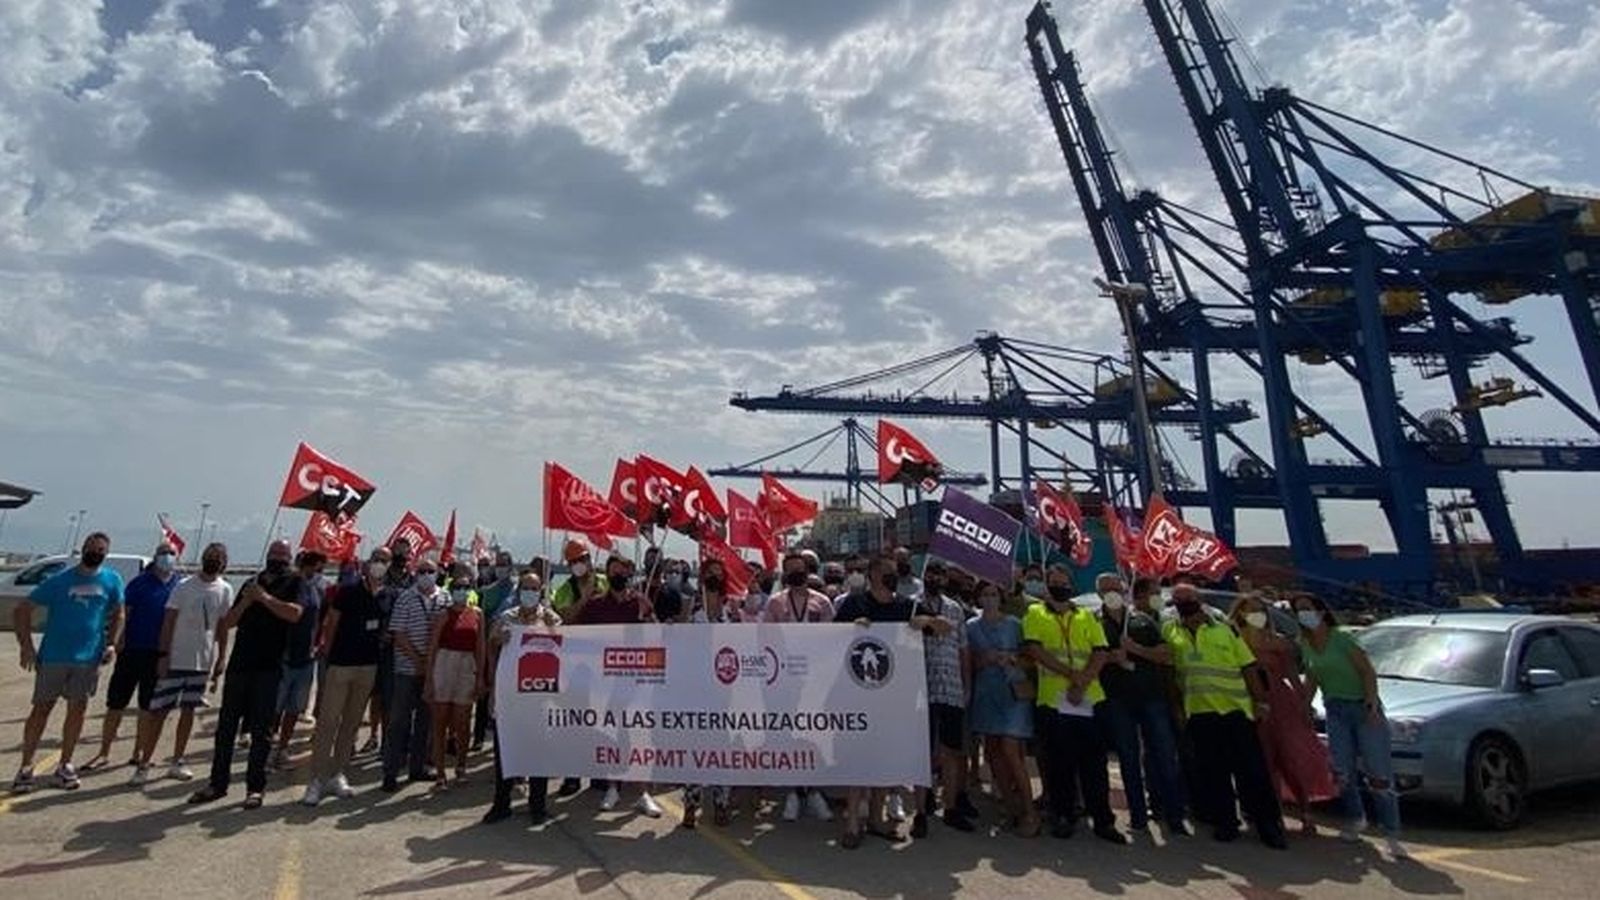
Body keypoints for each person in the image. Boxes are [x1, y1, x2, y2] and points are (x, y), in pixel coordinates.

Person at [1162, 584, 1287, 849]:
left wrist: (1261, 701)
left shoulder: (1225, 629)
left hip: (1235, 710)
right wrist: (1177, 709)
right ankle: (1226, 822)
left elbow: (1248, 666)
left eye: (1188, 598)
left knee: (1252, 771)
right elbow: (1172, 675)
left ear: (1199, 600)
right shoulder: (1170, 632)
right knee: (1213, 772)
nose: (1184, 603)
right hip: (1199, 712)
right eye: (1178, 600)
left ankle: (1268, 825)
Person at [189, 540, 307, 809]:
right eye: (273, 553)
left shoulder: (294, 582)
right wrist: (248, 600)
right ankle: (217, 783)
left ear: (289, 558)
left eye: (281, 554)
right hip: (240, 665)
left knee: (261, 732)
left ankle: (255, 787)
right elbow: (228, 622)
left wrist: (265, 599)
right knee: (226, 729)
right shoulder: (252, 582)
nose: (276, 558)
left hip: (270, 667)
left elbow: (295, 614)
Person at [10, 532, 126, 793]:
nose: (95, 552)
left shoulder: (111, 580)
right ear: (83, 549)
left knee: (77, 711)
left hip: (88, 659)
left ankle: (65, 764)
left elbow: (119, 611)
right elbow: (22, 609)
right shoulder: (59, 581)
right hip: (54, 656)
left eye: (101, 550)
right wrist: (26, 646)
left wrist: (111, 643)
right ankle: (26, 767)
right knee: (41, 710)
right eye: (91, 548)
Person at [1294, 593, 1406, 858]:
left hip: (1363, 709)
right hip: (1335, 710)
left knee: (1378, 774)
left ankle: (1391, 833)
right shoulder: (1306, 643)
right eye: (1298, 610)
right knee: (1342, 771)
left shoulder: (1341, 638)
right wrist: (1304, 706)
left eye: (1307, 608)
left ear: (1321, 611)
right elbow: (1312, 678)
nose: (1303, 614)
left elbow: (1366, 670)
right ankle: (1356, 819)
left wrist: (1371, 704)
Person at [834, 553, 933, 849]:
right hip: (859, 693)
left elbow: (938, 626)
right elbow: (831, 635)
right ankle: (853, 821)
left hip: (896, 695)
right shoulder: (855, 603)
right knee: (859, 757)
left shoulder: (907, 605)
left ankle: (876, 818)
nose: (894, 575)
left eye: (895, 571)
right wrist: (852, 627)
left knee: (884, 759)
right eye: (888, 571)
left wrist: (924, 621)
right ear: (874, 573)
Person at [1022, 565, 1125, 844]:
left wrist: (1083, 680)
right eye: (1054, 582)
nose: (1060, 587)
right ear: (1047, 586)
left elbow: (1100, 651)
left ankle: (1103, 820)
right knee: (1060, 763)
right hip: (1055, 699)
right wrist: (1071, 676)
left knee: (1095, 763)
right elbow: (1035, 649)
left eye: (1064, 582)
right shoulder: (1035, 613)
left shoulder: (1086, 616)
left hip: (1090, 698)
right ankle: (1063, 815)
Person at [1230, 593, 1335, 834]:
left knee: (1292, 757)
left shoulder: (1280, 642)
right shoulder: (1237, 641)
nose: (1256, 615)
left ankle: (1306, 811)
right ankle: (1272, 813)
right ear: (1241, 614)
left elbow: (1291, 674)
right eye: (1251, 610)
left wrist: (1304, 703)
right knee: (1264, 761)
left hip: (1282, 702)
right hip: (1251, 703)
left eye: (1260, 610)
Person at [568, 554, 661, 817]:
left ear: (629, 573)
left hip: (637, 679)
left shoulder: (639, 601)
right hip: (603, 681)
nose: (618, 576)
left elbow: (658, 634)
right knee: (610, 733)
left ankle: (643, 793)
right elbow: (570, 626)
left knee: (639, 734)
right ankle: (612, 787)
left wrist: (648, 616)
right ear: (607, 575)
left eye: (622, 571)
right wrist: (584, 597)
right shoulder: (597, 604)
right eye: (614, 572)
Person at [1096, 572, 1188, 835]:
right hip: (1117, 699)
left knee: (1164, 755)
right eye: (1106, 590)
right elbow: (1086, 657)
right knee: (1128, 758)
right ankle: (1138, 815)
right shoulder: (1094, 622)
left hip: (1151, 697)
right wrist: (1113, 658)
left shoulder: (1142, 620)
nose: (1112, 593)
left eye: (1116, 588)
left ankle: (1174, 815)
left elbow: (1166, 654)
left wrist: (1136, 649)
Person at [140, 542, 234, 783]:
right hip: (175, 658)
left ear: (224, 563)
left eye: (218, 557)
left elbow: (222, 627)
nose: (214, 560)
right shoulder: (184, 587)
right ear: (203, 558)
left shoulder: (224, 589)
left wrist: (221, 658)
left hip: (201, 661)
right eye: (210, 556)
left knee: (188, 711)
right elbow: (169, 621)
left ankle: (177, 760)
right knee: (159, 712)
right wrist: (163, 655)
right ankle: (144, 763)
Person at [301, 548, 387, 806]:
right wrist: (327, 657)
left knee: (350, 724)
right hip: (341, 665)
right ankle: (316, 779)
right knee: (328, 722)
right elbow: (331, 623)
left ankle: (337, 773)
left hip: (368, 667)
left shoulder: (386, 596)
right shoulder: (348, 592)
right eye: (376, 560)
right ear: (367, 564)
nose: (380, 565)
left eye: (385, 561)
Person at [85, 543, 179, 778]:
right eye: (163, 554)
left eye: (171, 554)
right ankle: (104, 752)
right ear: (155, 557)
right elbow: (125, 612)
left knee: (147, 706)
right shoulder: (139, 583)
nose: (167, 558)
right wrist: (116, 642)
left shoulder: (179, 585)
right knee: (116, 703)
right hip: (131, 651)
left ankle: (139, 752)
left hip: (157, 653)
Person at [763, 552, 836, 824]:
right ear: (784, 574)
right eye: (790, 570)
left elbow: (832, 639)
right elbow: (765, 639)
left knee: (814, 734)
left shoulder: (823, 603)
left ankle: (815, 791)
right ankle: (794, 792)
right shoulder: (775, 603)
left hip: (816, 679)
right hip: (786, 680)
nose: (795, 574)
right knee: (790, 736)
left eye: (799, 569)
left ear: (807, 571)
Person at [483, 571, 560, 825]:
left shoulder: (549, 618)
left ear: (541, 591)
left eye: (534, 588)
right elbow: (491, 647)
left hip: (539, 696)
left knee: (540, 752)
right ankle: (501, 804)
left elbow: (564, 647)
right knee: (505, 751)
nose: (530, 592)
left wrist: (552, 627)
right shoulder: (507, 618)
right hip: (510, 696)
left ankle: (537, 806)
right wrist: (497, 643)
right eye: (525, 588)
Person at [965, 579, 1038, 837]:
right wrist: (985, 660)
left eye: (994, 593)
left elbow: (1031, 657)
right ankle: (1009, 807)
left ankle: (1029, 811)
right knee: (994, 751)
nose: (990, 598)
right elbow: (968, 660)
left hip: (1013, 690)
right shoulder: (971, 627)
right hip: (987, 692)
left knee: (1012, 750)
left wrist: (1013, 658)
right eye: (985, 594)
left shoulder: (1015, 625)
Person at [911, 561, 974, 837]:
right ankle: (921, 811)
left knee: (951, 751)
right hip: (920, 688)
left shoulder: (955, 608)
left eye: (938, 575)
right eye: (929, 574)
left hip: (950, 688)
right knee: (922, 752)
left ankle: (950, 807)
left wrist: (966, 683)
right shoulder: (912, 604)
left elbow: (963, 649)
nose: (934, 579)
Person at [680, 557, 741, 829]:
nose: (714, 579)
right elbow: (678, 639)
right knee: (694, 746)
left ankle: (721, 803)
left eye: (719, 575)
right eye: (710, 575)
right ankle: (691, 804)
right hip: (694, 688)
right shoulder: (691, 608)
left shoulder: (731, 610)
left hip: (723, 690)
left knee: (722, 748)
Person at [382, 555, 446, 792]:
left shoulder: (444, 597)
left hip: (431, 672)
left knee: (425, 722)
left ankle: (417, 768)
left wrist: (428, 664)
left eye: (430, 571)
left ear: (438, 573)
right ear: (415, 573)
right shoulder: (405, 598)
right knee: (398, 722)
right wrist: (419, 660)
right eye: (422, 571)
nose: (426, 576)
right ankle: (390, 771)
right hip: (406, 670)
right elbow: (398, 634)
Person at [424, 561, 485, 789]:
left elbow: (480, 647)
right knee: (440, 720)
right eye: (457, 587)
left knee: (462, 721)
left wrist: (480, 676)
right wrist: (429, 678)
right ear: (451, 590)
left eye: (465, 586)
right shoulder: (443, 615)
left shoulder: (477, 614)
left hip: (467, 665)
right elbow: (432, 648)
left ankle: (461, 766)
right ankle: (440, 772)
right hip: (445, 663)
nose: (461, 590)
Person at [272, 550, 327, 770]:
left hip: (306, 657)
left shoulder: (316, 589)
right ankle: (268, 746)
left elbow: (319, 619)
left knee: (294, 708)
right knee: (275, 707)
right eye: (317, 565)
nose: (319, 570)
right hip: (285, 655)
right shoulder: (290, 585)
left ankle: (283, 748)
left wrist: (317, 644)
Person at [471, 550, 517, 750]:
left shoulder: (517, 589)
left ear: (511, 566)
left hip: (514, 649)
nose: (501, 568)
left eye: (504, 564)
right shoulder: (487, 592)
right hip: (492, 646)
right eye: (498, 564)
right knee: (486, 692)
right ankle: (478, 737)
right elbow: (483, 621)